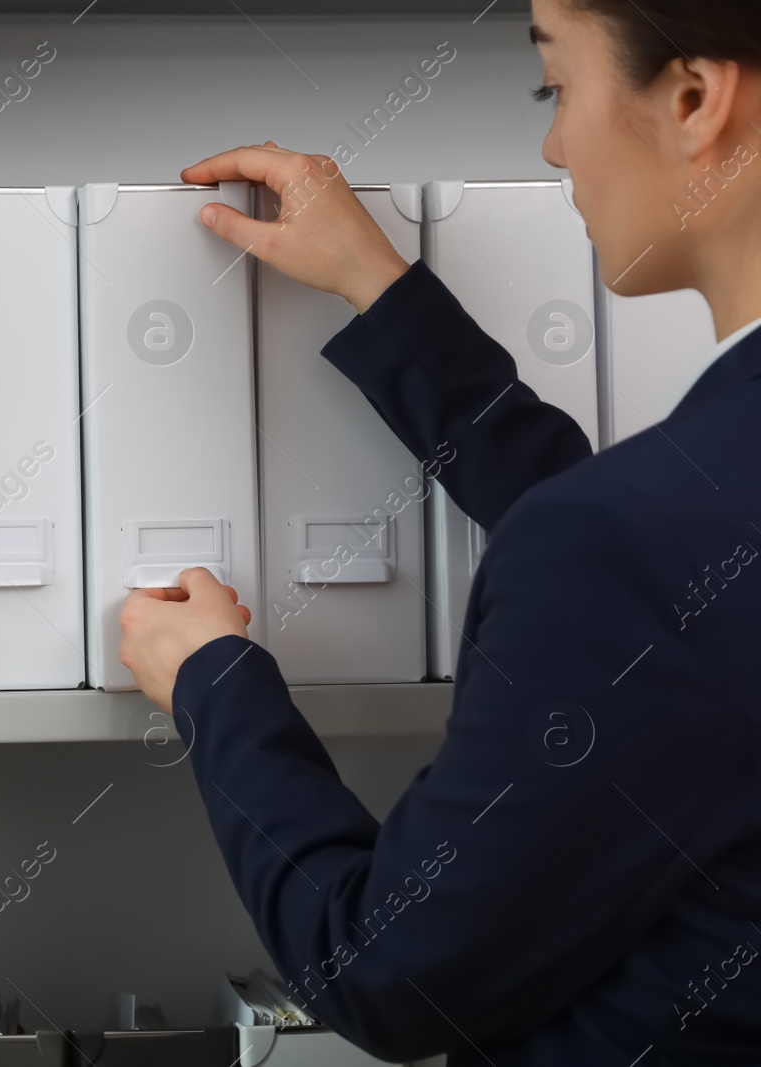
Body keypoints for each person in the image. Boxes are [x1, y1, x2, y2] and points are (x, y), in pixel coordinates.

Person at [117, 0, 761, 1063]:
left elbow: (385, 970)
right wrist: (382, 293)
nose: (554, 144)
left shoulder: (634, 546)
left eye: (552, 85)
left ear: (692, 99)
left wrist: (214, 683)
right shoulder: (667, 534)